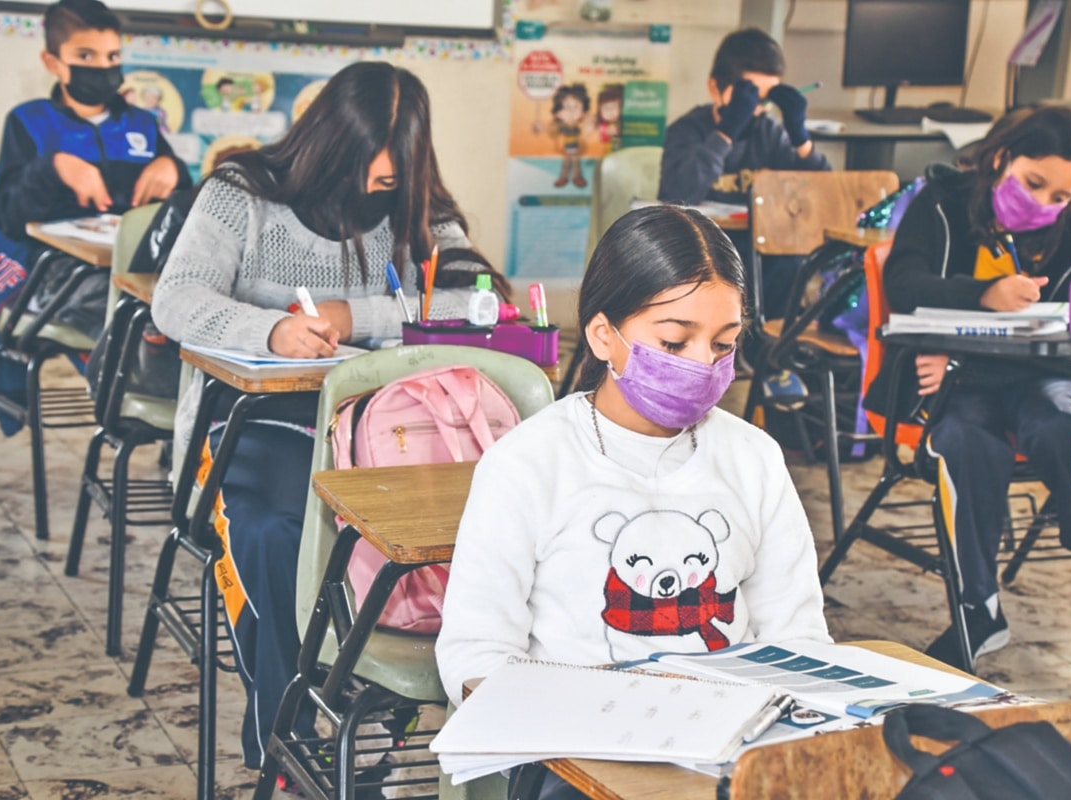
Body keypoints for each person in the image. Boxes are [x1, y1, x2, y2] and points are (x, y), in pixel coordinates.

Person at [151, 60, 508, 775]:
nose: (385, 170)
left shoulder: (415, 203)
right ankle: (291, 722)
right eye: (370, 151)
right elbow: (176, 300)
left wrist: (360, 316)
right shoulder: (241, 193)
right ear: (328, 140)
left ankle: (374, 699)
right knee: (275, 531)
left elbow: (479, 302)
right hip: (254, 424)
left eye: (401, 152)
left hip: (381, 427)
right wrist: (271, 331)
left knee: (473, 526)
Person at [437, 205, 830, 798]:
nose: (703, 365)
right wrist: (573, 718)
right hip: (574, 754)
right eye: (674, 341)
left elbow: (796, 631)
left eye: (724, 344)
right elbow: (475, 652)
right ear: (603, 336)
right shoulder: (528, 465)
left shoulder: (754, 459)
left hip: (729, 744)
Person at [867, 106, 1071, 670]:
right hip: (954, 395)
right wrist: (983, 295)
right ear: (1000, 156)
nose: (1044, 204)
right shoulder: (941, 204)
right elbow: (905, 287)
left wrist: (960, 364)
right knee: (964, 438)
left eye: (1061, 197)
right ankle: (978, 608)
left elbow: (1065, 347)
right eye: (1034, 183)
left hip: (1041, 382)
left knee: (1055, 422)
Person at [0, 0, 189, 424]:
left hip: (134, 261)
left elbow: (185, 209)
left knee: (183, 295)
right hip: (54, 271)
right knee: (128, 306)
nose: (102, 68)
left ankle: (185, 416)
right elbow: (7, 216)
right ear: (53, 62)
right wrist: (55, 168)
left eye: (112, 57)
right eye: (86, 57)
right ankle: (139, 403)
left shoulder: (142, 125)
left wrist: (173, 168)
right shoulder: (29, 123)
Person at [657, 27, 829, 328]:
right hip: (703, 249)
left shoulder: (769, 132)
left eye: (764, 99)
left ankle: (765, 356)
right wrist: (726, 132)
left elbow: (821, 194)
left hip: (762, 251)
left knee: (794, 262)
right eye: (747, 99)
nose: (755, 110)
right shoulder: (687, 131)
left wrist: (801, 139)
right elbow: (680, 192)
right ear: (715, 88)